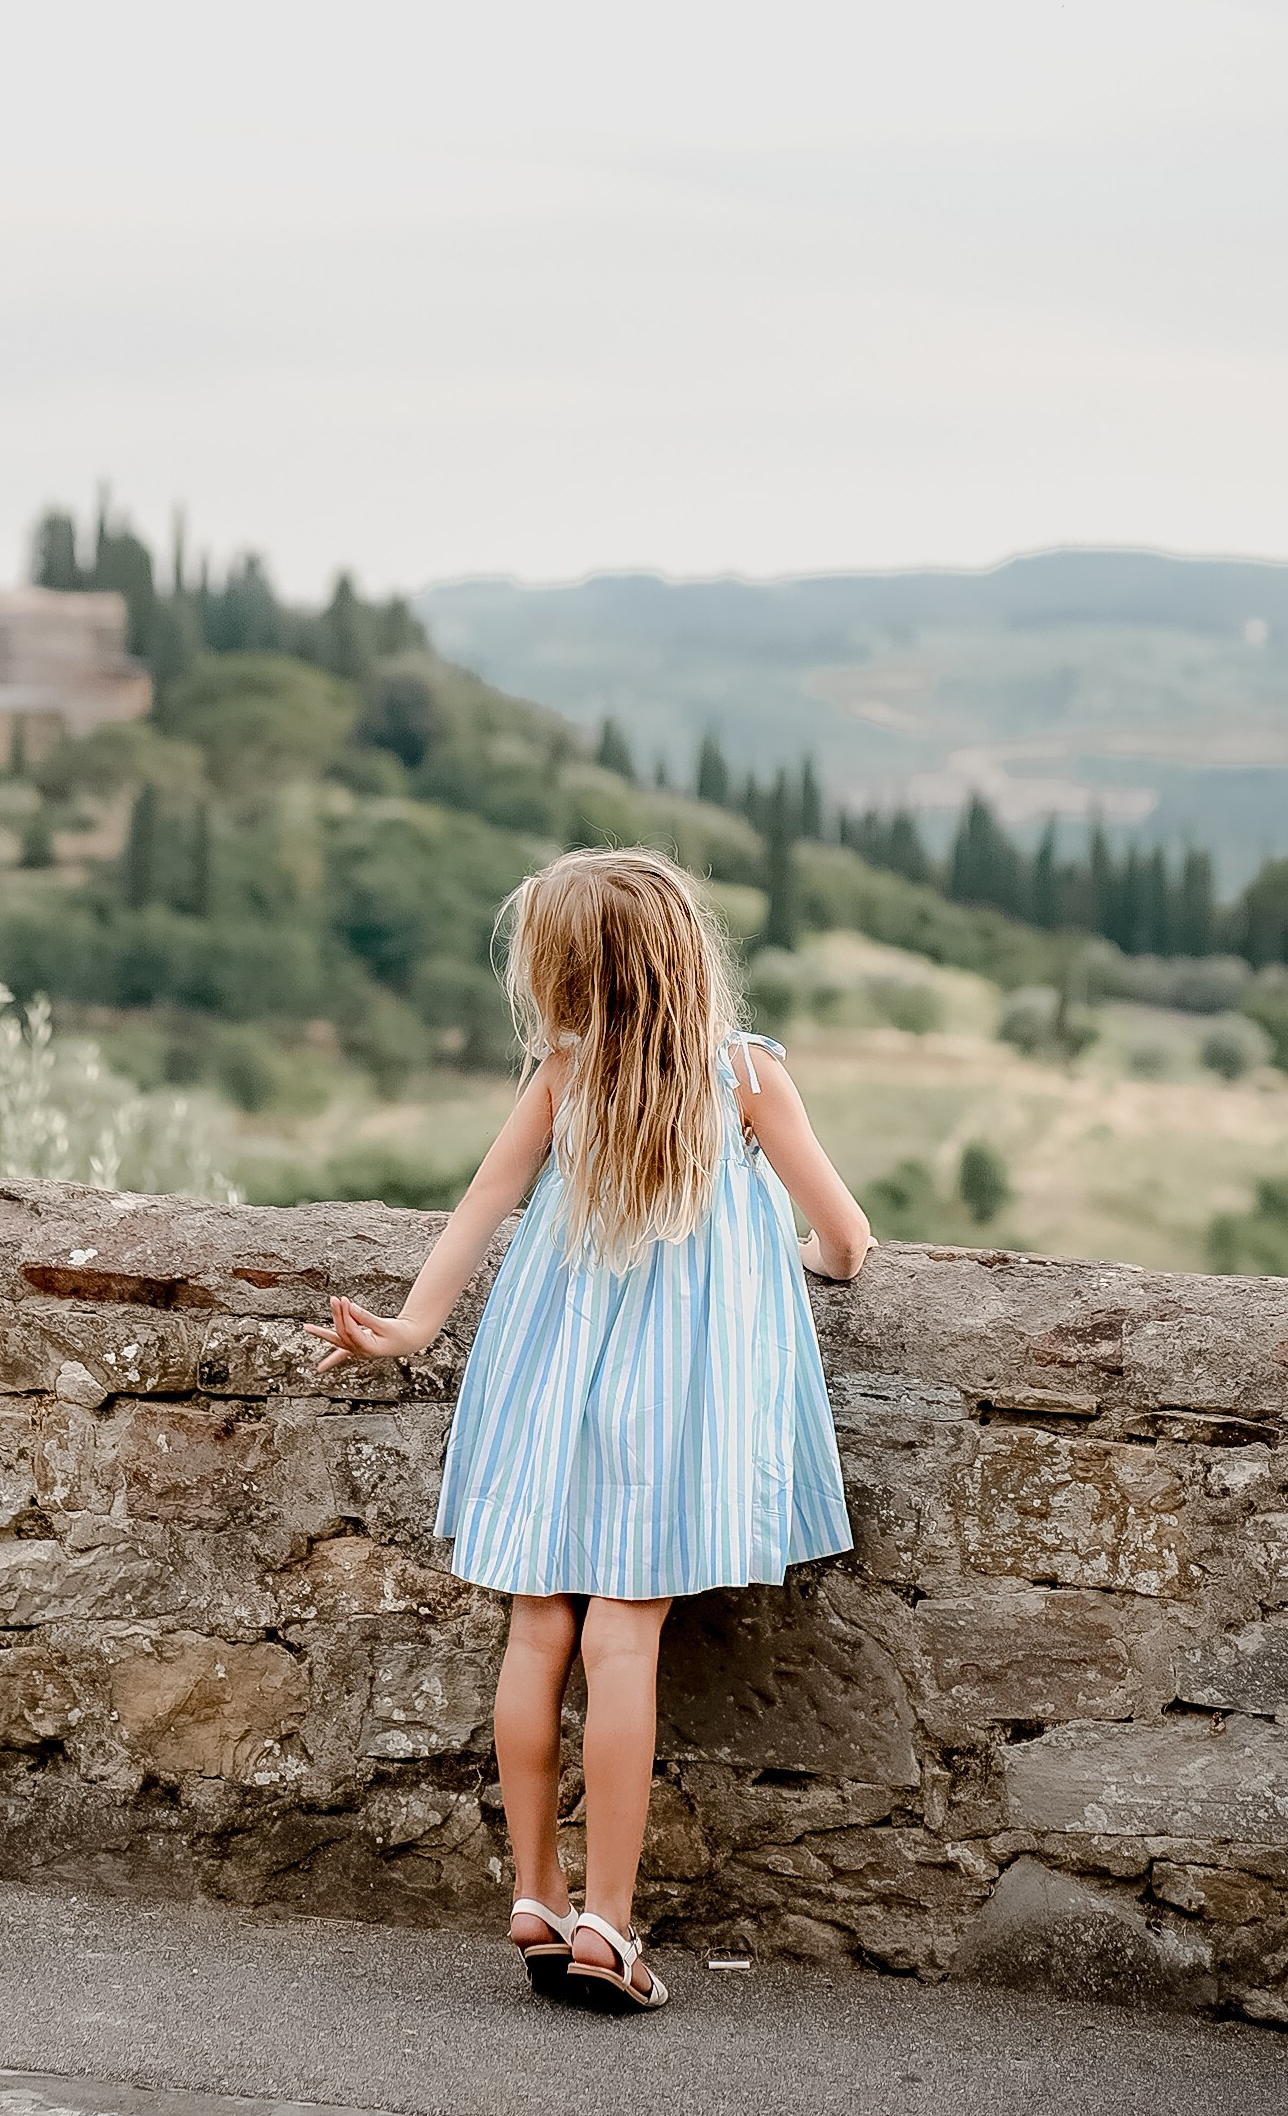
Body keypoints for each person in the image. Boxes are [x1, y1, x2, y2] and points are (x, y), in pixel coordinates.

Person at [308, 845, 870, 2014]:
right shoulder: (744, 1077)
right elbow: (847, 1240)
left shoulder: (564, 1073)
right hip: (672, 1402)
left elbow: (482, 1203)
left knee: (535, 1628)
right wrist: (807, 1258)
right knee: (624, 1638)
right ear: (683, 955)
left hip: (548, 1376)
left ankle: (534, 1889)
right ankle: (609, 1926)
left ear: (563, 970)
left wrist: (411, 1328)